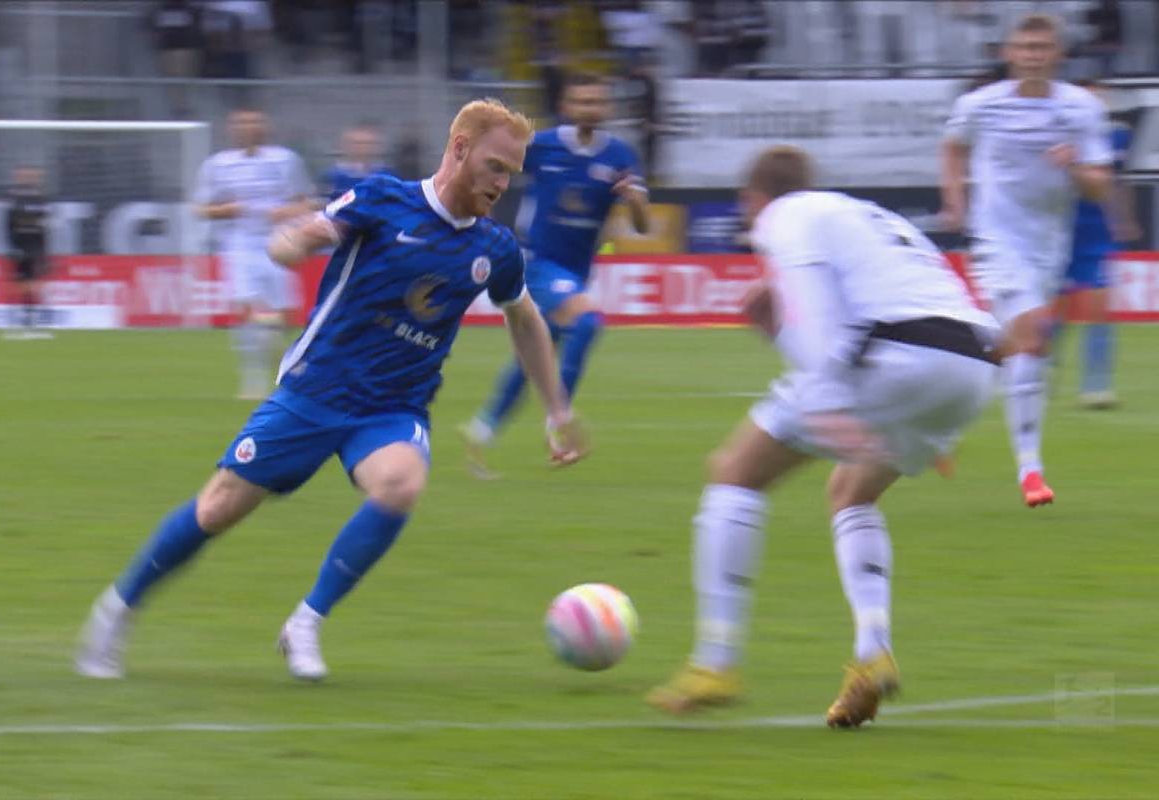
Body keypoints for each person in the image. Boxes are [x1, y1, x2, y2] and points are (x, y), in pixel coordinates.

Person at [74, 98, 588, 682]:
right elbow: (311, 232)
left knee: (401, 484)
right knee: (218, 507)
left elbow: (524, 319)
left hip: (393, 409)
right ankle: (118, 609)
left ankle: (306, 623)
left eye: (512, 173)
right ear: (461, 149)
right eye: (496, 166)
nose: (503, 182)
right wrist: (294, 242)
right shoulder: (382, 198)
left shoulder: (493, 248)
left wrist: (556, 409)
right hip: (314, 391)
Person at [646, 146, 1000, 728]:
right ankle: (872, 653)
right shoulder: (866, 215)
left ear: (753, 201)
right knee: (851, 493)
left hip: (897, 356)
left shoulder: (785, 217)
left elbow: (818, 316)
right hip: (970, 364)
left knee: (735, 471)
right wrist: (935, 415)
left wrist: (830, 401)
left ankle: (716, 661)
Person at [940, 13, 1113, 507]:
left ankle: (940, 423)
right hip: (995, 240)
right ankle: (1031, 472)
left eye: (1043, 47)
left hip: (1048, 247)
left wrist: (1074, 165)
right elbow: (952, 147)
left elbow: (1100, 186)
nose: (1034, 55)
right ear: (1009, 54)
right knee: (1033, 334)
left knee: (1014, 350)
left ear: (1058, 54)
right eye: (1025, 47)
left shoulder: (1081, 109)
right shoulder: (980, 105)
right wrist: (955, 199)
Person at [461, 72, 649, 477]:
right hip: (535, 263)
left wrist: (633, 199)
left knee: (533, 358)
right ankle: (558, 420)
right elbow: (488, 164)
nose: (590, 109)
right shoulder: (542, 146)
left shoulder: (620, 155)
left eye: (597, 101)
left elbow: (644, 224)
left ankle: (480, 433)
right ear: (567, 106)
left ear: (607, 107)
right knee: (587, 322)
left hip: (577, 271)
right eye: (582, 101)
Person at [195, 108, 314, 399]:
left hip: (278, 243)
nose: (248, 127)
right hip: (239, 244)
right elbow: (201, 209)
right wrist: (226, 210)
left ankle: (278, 358)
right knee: (245, 310)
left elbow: (307, 203)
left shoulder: (284, 160)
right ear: (231, 128)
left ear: (264, 126)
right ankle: (252, 379)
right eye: (242, 122)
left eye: (254, 122)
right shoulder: (218, 165)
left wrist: (286, 211)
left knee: (284, 318)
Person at [1058, 77, 1140, 409]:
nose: (1098, 103)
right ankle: (1039, 370)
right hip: (1062, 233)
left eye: (1101, 98)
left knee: (1099, 310)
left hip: (1098, 236)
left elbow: (1117, 183)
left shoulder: (1115, 137)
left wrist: (1123, 219)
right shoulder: (1058, 138)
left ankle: (1096, 386)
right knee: (1053, 314)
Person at [3, 166, 52, 340]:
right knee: (20, 283)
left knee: (33, 283)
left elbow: (43, 228)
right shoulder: (14, 199)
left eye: (32, 175)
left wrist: (44, 251)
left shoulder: (41, 199)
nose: (29, 178)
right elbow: (8, 225)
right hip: (20, 245)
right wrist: (12, 246)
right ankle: (17, 320)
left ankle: (30, 321)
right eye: (24, 175)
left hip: (35, 247)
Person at [319, 125, 391, 202]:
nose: (363, 147)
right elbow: (323, 202)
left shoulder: (388, 174)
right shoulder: (331, 176)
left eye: (369, 143)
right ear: (345, 146)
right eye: (357, 143)